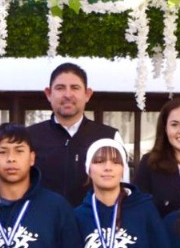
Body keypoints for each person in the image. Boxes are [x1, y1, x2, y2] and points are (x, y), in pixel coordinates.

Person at [27, 62, 125, 207]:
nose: (67, 95)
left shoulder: (109, 137)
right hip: (43, 223)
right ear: (48, 94)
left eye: (75, 88)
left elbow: (123, 186)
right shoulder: (29, 137)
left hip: (93, 223)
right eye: (60, 88)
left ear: (87, 94)